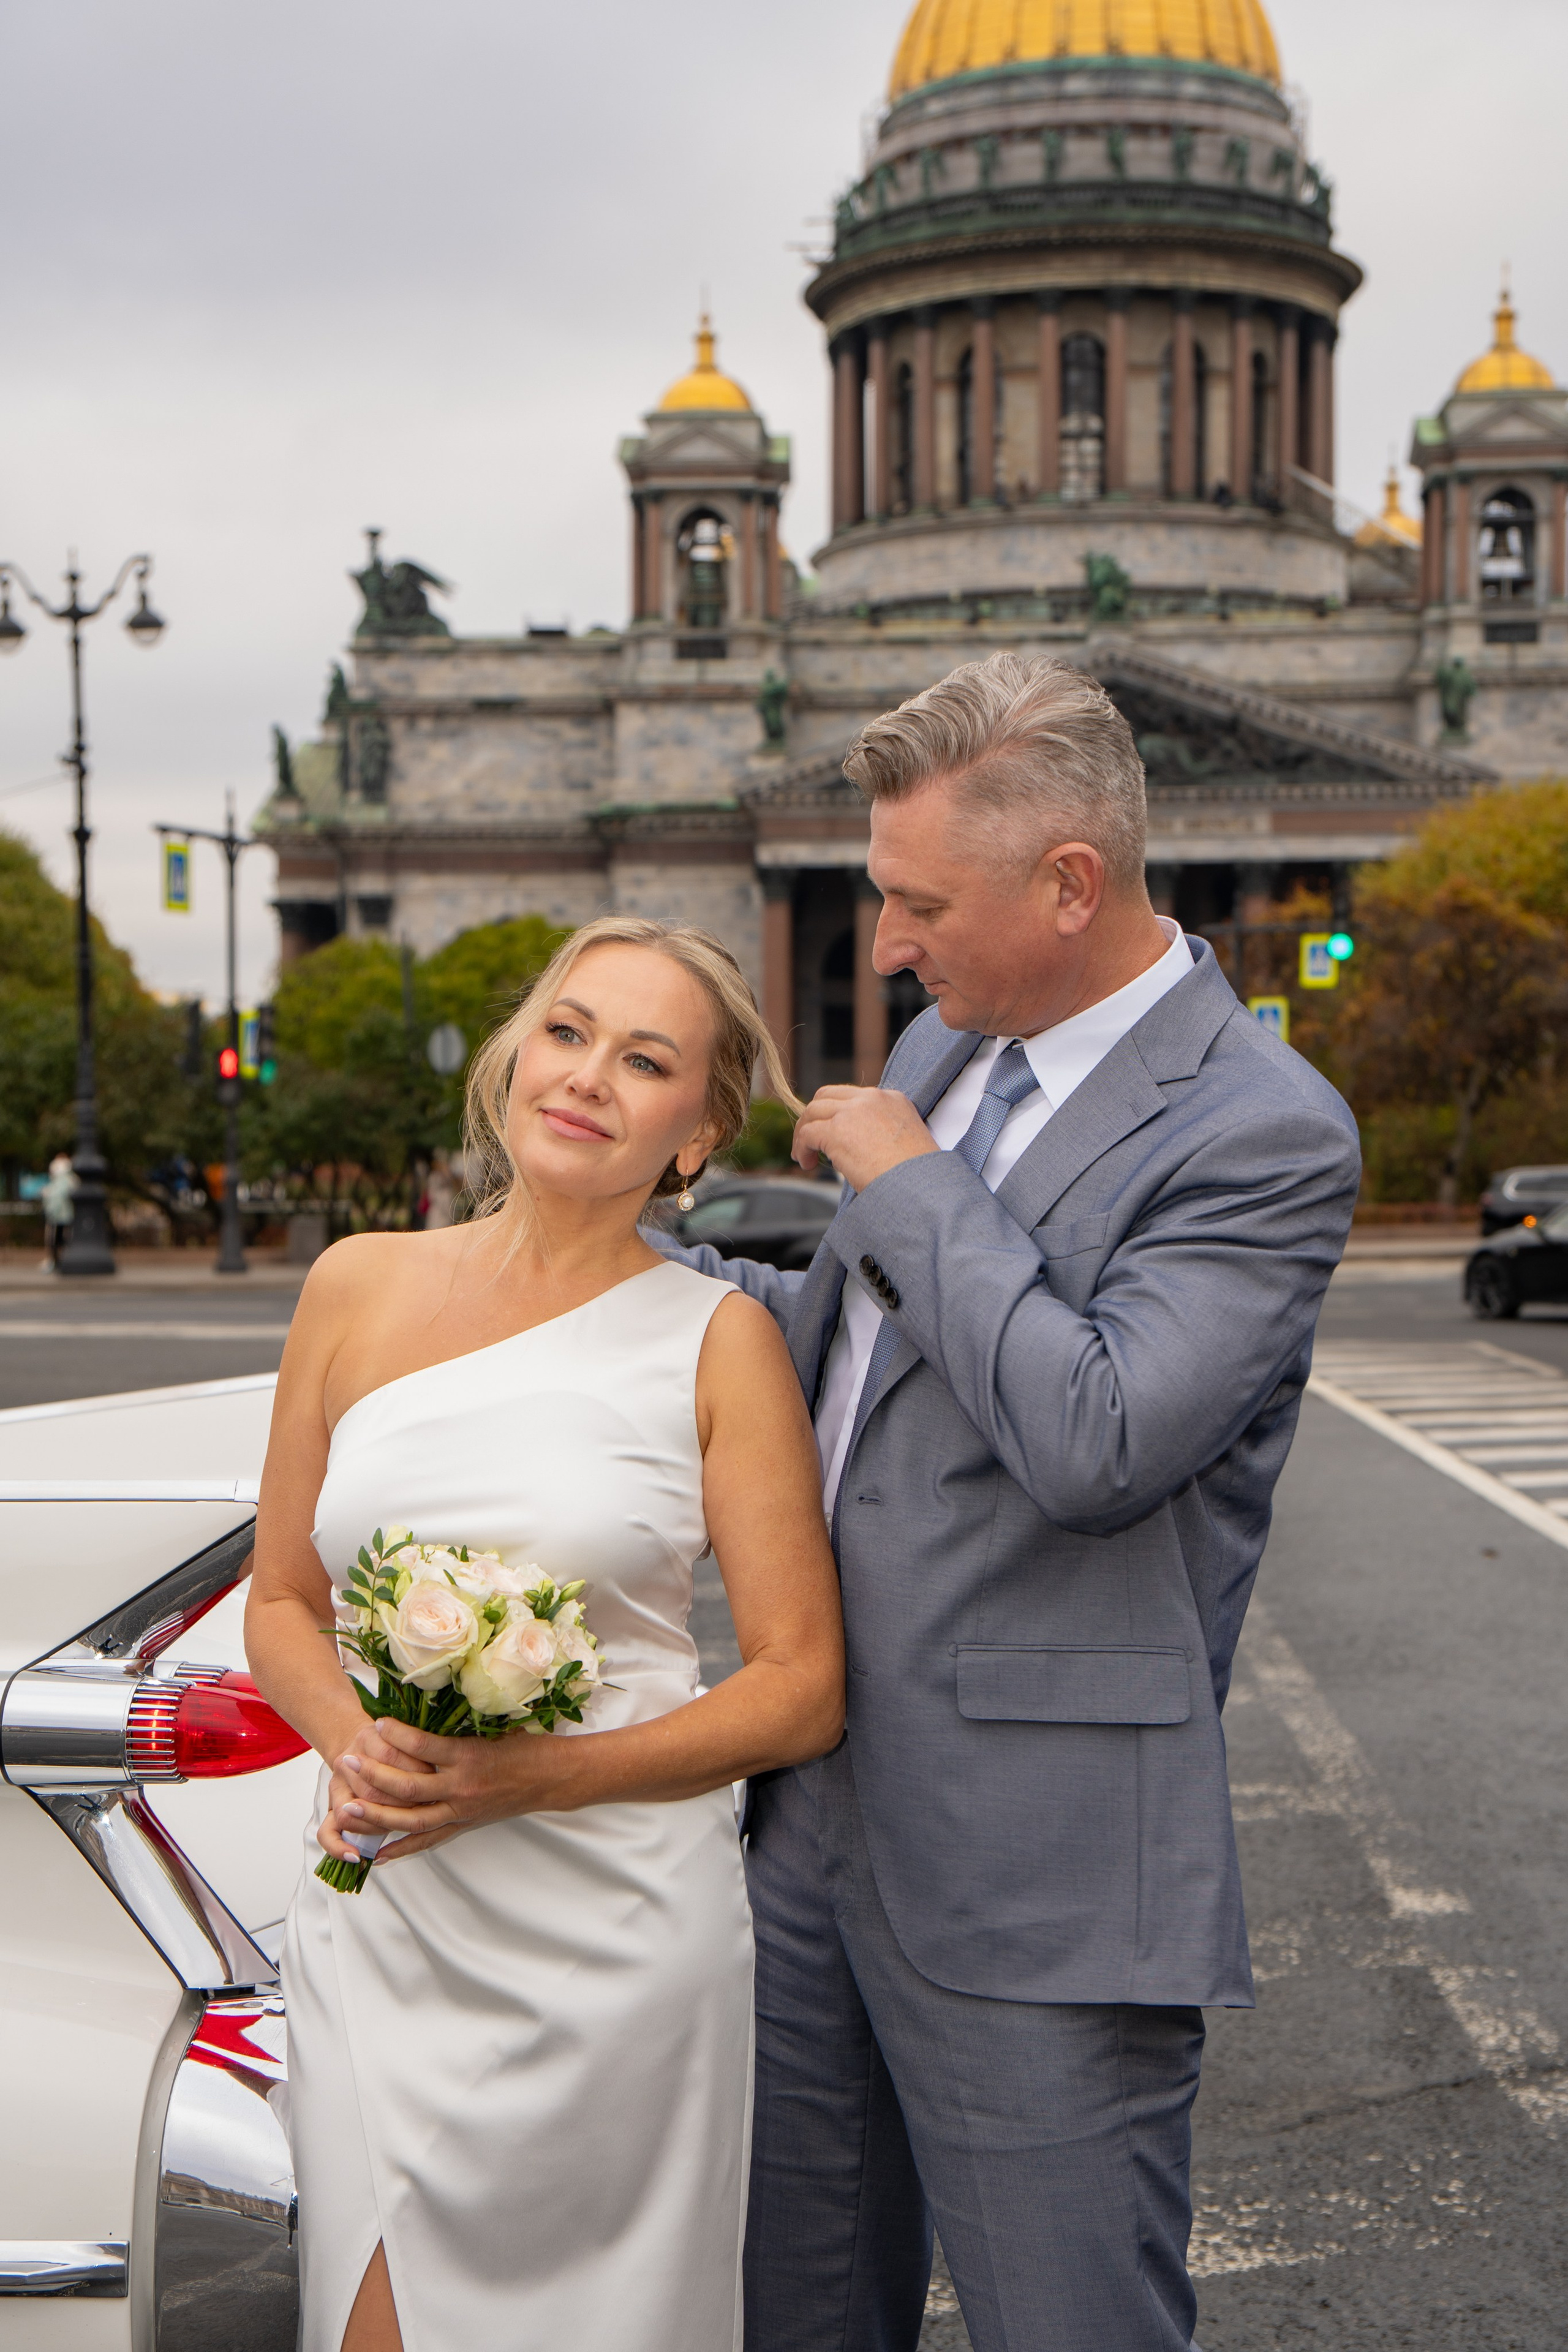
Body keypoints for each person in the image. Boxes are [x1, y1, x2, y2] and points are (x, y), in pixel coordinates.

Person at [665, 652, 1361, 2352]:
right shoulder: (951, 1044)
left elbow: (1100, 1433)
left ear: (1071, 885)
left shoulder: (1265, 1131)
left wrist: (908, 1182)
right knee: (795, 2320)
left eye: (918, 903)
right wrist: (596, 1266)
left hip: (1042, 1875)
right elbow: (834, 1354)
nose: (887, 942)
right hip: (805, 1824)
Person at [246, 915, 844, 2352]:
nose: (584, 1076)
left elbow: (799, 1687)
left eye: (644, 1060)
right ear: (515, 1052)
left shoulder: (718, 1338)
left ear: (694, 1133)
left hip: (613, 1938)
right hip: (387, 1909)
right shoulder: (353, 1284)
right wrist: (361, 1746)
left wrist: (525, 1776)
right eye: (566, 1030)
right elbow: (280, 1601)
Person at [39, 1152, 75, 1271]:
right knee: (62, 1239)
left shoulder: (62, 1180)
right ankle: (60, 1261)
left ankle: (56, 1262)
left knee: (55, 1240)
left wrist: (49, 1207)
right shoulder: (71, 1179)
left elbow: (56, 1197)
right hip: (67, 1216)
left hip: (58, 1216)